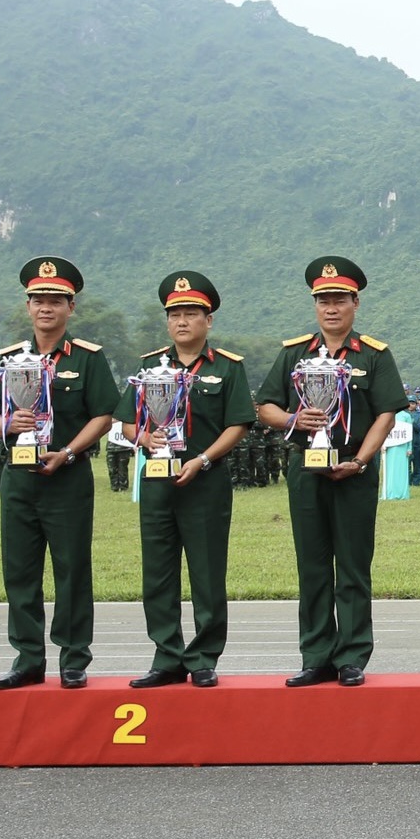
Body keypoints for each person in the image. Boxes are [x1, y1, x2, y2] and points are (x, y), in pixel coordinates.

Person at [253, 255, 406, 688]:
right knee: (313, 564)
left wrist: (361, 460)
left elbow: (386, 413)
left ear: (355, 303)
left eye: (340, 300)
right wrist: (292, 419)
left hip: (354, 469)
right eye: (324, 301)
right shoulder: (293, 354)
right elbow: (265, 406)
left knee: (353, 565)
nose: (331, 308)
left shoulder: (374, 355)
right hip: (307, 469)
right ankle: (316, 655)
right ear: (315, 305)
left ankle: (352, 656)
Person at [0, 256, 119, 690]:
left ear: (70, 307)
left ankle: (73, 658)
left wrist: (69, 452)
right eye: (38, 300)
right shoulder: (10, 359)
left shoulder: (88, 359)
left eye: (56, 301)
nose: (46, 308)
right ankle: (27, 658)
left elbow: (104, 415)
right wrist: (8, 424)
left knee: (72, 569)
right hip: (19, 478)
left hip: (67, 477)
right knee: (19, 570)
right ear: (28, 306)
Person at [114, 272, 254, 689]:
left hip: (205, 482)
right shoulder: (149, 366)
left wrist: (203, 459)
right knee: (157, 572)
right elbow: (126, 422)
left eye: (191, 313)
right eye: (174, 314)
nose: (181, 321)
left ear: (208, 320)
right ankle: (167, 656)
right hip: (157, 481)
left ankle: (204, 657)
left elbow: (238, 424)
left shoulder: (227, 367)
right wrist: (144, 438)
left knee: (207, 572)